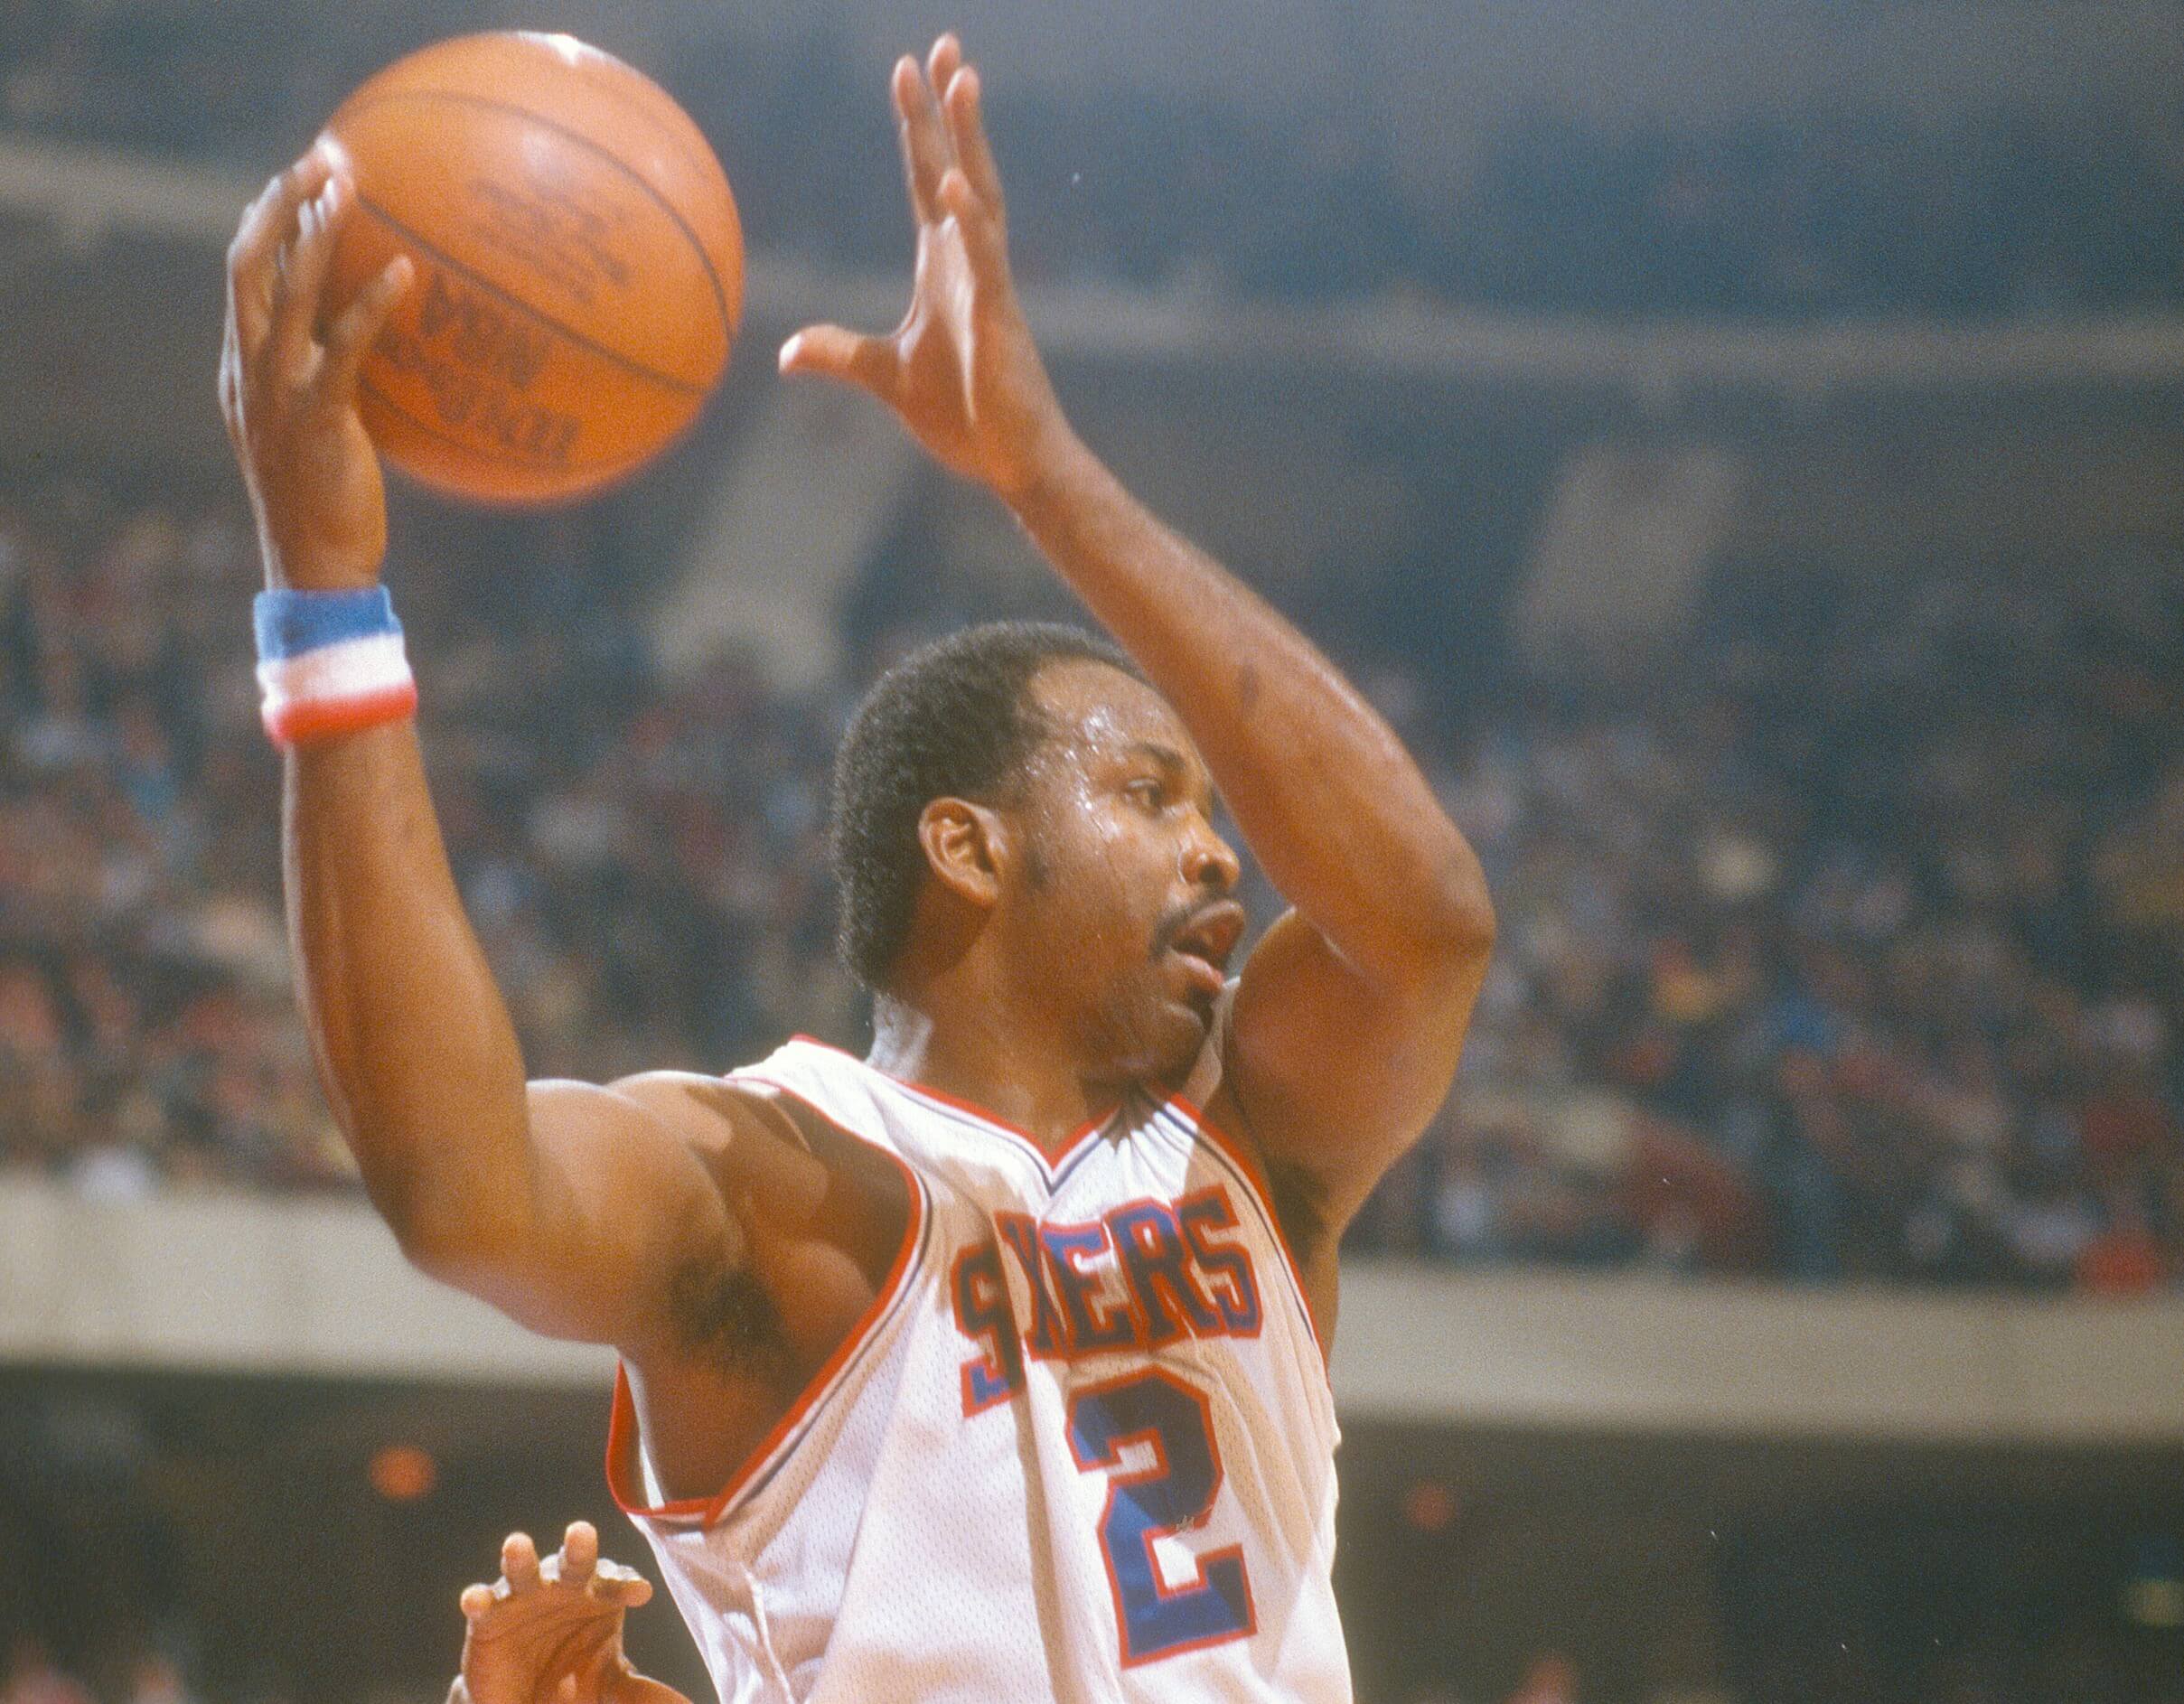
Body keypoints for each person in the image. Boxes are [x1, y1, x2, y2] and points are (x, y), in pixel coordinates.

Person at [220, 32, 1492, 1702]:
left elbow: (1428, 928)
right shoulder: (775, 1185)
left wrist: (1045, 470)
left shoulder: (1249, 1137)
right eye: (1149, 790)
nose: (1217, 849)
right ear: (968, 846)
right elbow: (459, 1189)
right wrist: (324, 594)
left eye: (1211, 807)